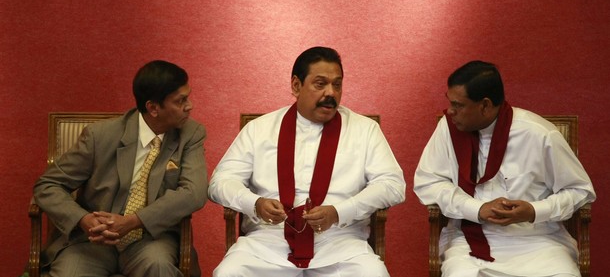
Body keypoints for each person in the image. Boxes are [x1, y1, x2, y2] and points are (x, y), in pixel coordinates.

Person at [209, 46, 405, 277]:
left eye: (337, 84)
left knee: (373, 273)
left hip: (339, 241)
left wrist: (340, 211)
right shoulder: (259, 129)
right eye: (320, 84)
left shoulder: (365, 130)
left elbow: (393, 185)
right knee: (229, 272)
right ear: (296, 85)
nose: (330, 93)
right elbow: (220, 182)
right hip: (268, 241)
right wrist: (255, 204)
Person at [413, 60, 596, 277]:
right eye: (450, 103)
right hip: (471, 240)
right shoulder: (448, 128)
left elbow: (580, 191)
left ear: (485, 105)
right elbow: (428, 182)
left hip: (538, 241)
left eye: (459, 105)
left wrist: (534, 211)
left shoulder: (539, 134)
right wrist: (476, 208)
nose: (450, 111)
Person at [34, 60, 208, 277]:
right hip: (93, 242)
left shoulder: (191, 134)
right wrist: (83, 219)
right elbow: (49, 185)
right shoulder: (100, 136)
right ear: (153, 108)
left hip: (151, 240)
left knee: (160, 268)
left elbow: (195, 192)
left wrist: (133, 221)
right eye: (180, 101)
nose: (189, 105)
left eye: (187, 97)